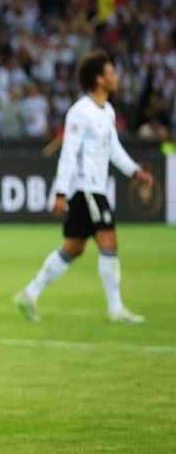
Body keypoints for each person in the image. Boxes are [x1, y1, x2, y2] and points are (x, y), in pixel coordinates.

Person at [15, 50, 154, 323]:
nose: (116, 77)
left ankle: (29, 294)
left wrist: (135, 171)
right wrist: (60, 192)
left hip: (95, 189)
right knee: (108, 240)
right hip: (86, 189)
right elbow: (68, 153)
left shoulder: (107, 111)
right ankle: (115, 309)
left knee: (74, 247)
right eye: (111, 73)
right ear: (99, 80)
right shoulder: (80, 112)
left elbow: (113, 149)